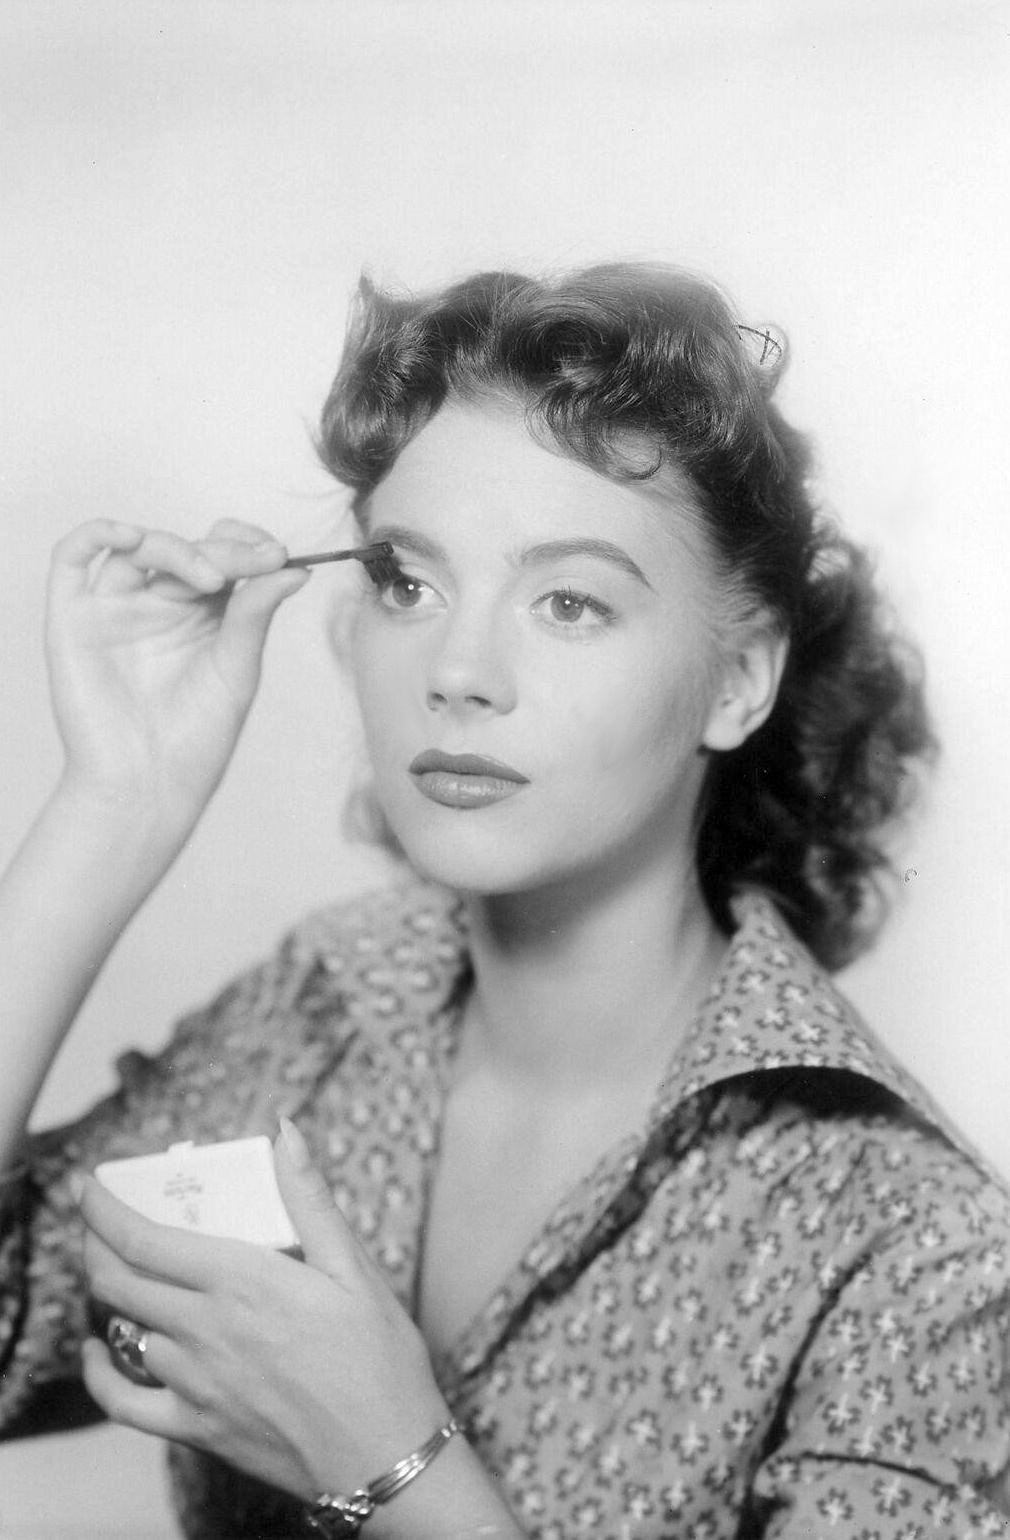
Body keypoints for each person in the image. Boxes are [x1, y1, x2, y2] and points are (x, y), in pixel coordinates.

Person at [1, 263, 1008, 1540]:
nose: (458, 669)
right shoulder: (326, 1003)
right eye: (406, 582)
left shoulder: (913, 1245)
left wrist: (390, 1464)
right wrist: (114, 803)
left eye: (569, 601)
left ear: (737, 680)